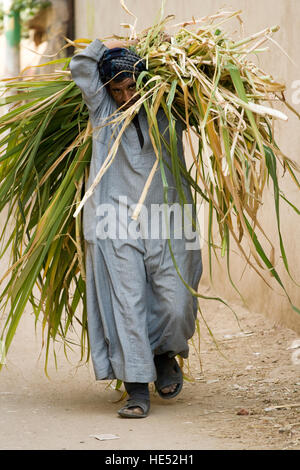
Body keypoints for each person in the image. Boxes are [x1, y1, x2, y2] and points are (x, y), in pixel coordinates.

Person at [69, 37, 203, 418]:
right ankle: (136, 390)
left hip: (169, 221)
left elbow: (203, 94)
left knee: (177, 304)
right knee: (127, 306)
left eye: (131, 86)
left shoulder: (169, 107)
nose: (125, 95)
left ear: (145, 81)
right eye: (117, 88)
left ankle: (164, 354)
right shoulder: (103, 111)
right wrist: (106, 43)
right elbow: (81, 65)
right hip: (114, 225)